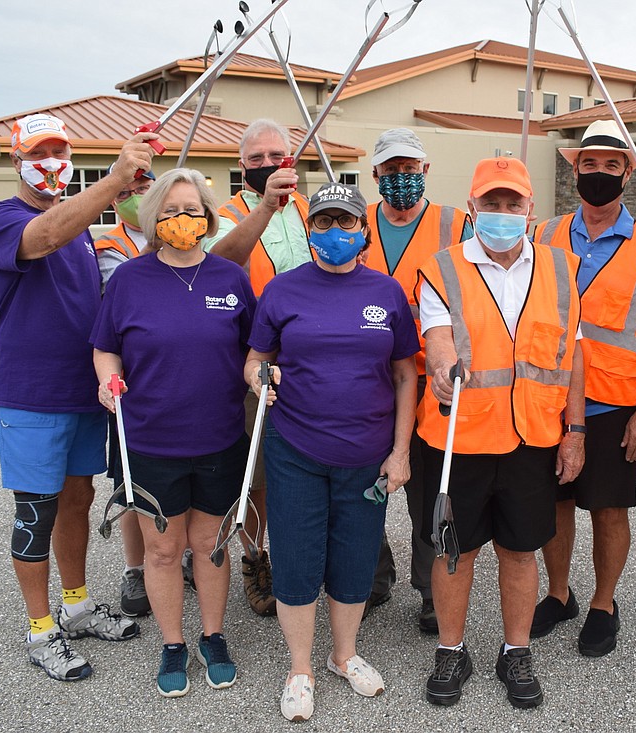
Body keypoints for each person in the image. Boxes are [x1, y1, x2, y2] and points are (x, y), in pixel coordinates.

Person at [0, 113, 156, 681]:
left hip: (82, 389)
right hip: (29, 392)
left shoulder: (81, 226)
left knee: (77, 496)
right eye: (39, 152)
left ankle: (76, 605)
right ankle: (41, 629)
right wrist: (113, 180)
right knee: (37, 506)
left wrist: (128, 188)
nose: (51, 161)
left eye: (60, 150)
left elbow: (81, 250)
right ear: (16, 160)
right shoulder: (4, 218)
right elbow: (46, 234)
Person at [245, 182, 418, 722]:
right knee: (295, 557)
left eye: (345, 223)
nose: (335, 233)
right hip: (295, 447)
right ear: (309, 230)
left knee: (355, 557)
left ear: (362, 231)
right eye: (323, 224)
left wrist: (400, 452)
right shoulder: (282, 290)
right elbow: (255, 359)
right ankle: (301, 668)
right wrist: (258, 379)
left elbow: (405, 373)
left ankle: (344, 656)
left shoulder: (386, 292)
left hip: (366, 454)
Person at [417, 157, 585, 709]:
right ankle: (452, 649)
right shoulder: (441, 269)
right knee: (454, 553)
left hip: (531, 439)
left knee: (519, 552)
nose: (503, 214)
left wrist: (575, 430)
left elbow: (572, 357)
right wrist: (442, 371)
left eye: (513, 204)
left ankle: (515, 652)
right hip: (457, 438)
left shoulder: (563, 269)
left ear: (531, 210)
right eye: (491, 204)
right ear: (472, 209)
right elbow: (437, 337)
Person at [91, 167, 255, 697]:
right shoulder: (129, 280)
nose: (181, 220)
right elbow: (105, 345)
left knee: (209, 544)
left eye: (191, 210)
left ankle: (213, 636)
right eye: (169, 211)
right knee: (163, 551)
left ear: (208, 218)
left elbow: (255, 348)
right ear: (152, 219)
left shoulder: (230, 278)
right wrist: (106, 378)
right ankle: (173, 643)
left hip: (220, 437)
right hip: (150, 440)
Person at [529, 119, 636, 657]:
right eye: (588, 164)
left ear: (626, 174)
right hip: (549, 397)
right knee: (556, 504)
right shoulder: (542, 234)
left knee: (609, 509)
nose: (598, 174)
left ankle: (603, 603)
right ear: (575, 170)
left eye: (610, 166)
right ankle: (559, 593)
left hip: (616, 403)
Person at [362, 127, 473, 634]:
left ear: (425, 171)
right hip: (364, 377)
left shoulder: (457, 223)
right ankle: (370, 573)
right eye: (391, 170)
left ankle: (431, 589)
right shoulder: (354, 223)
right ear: (375, 175)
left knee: (428, 487)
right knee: (363, 482)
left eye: (410, 169)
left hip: (430, 379)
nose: (401, 178)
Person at [202, 118, 309, 617]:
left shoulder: (313, 210)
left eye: (276, 156)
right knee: (257, 468)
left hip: (310, 359)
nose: (267, 165)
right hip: (252, 357)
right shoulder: (226, 212)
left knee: (302, 464)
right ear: (241, 165)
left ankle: (298, 553)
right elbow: (219, 262)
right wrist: (266, 204)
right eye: (257, 158)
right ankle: (255, 555)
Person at [94, 165, 156, 618]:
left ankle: (182, 555)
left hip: (181, 384)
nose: (139, 195)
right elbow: (129, 292)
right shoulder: (108, 247)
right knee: (133, 483)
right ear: (116, 199)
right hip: (132, 386)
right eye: (130, 190)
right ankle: (135, 568)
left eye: (146, 187)